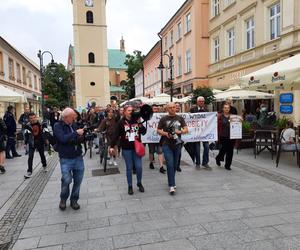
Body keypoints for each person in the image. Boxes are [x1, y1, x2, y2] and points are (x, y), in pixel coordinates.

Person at [110, 105, 147, 195]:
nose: (131, 112)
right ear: (124, 112)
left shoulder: (136, 120)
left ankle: (139, 183)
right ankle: (130, 186)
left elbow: (144, 132)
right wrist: (111, 146)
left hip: (137, 147)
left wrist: (140, 124)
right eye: (129, 110)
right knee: (129, 168)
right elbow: (115, 135)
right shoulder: (121, 122)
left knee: (139, 167)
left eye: (132, 110)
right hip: (126, 148)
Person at [54, 108, 85, 210]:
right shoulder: (58, 126)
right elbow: (63, 139)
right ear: (66, 117)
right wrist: (76, 133)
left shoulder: (74, 125)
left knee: (78, 181)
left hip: (78, 157)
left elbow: (77, 139)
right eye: (73, 116)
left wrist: (84, 137)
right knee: (67, 180)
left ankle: (74, 200)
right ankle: (63, 199)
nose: (75, 118)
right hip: (66, 158)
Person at [157, 102, 188, 195]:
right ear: (167, 109)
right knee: (170, 164)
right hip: (166, 144)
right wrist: (166, 133)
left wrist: (179, 131)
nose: (172, 109)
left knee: (174, 165)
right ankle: (171, 185)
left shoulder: (180, 118)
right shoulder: (163, 119)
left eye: (174, 107)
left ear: (176, 108)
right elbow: (158, 130)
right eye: (170, 107)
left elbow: (186, 129)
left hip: (177, 144)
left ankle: (171, 180)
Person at [190, 96, 211, 170]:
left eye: (202, 101)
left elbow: (209, 120)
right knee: (197, 148)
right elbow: (190, 119)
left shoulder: (207, 110)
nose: (201, 102)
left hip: (205, 132)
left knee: (207, 147)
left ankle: (205, 163)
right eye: (200, 101)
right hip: (196, 132)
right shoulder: (192, 110)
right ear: (197, 102)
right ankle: (198, 163)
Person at [24, 113, 47, 178]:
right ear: (29, 119)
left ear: (36, 117)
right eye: (31, 118)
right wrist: (25, 143)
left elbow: (45, 132)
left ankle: (44, 166)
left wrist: (46, 139)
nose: (32, 119)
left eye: (34, 117)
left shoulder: (41, 124)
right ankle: (29, 171)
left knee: (42, 155)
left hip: (40, 142)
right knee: (30, 156)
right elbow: (26, 135)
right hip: (32, 143)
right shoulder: (27, 125)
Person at [215, 103, 236, 170]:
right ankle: (218, 158)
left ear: (229, 109)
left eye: (228, 108)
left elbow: (238, 122)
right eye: (225, 108)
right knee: (223, 149)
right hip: (223, 135)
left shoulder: (232, 116)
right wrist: (216, 136)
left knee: (230, 151)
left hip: (232, 136)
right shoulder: (220, 116)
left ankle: (228, 165)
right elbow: (217, 126)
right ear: (223, 109)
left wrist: (241, 120)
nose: (227, 109)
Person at [148, 105, 166, 174]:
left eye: (156, 109)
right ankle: (151, 162)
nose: (156, 110)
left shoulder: (160, 116)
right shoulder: (148, 116)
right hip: (151, 138)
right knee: (151, 151)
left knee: (160, 151)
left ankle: (161, 166)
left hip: (159, 137)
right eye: (154, 109)